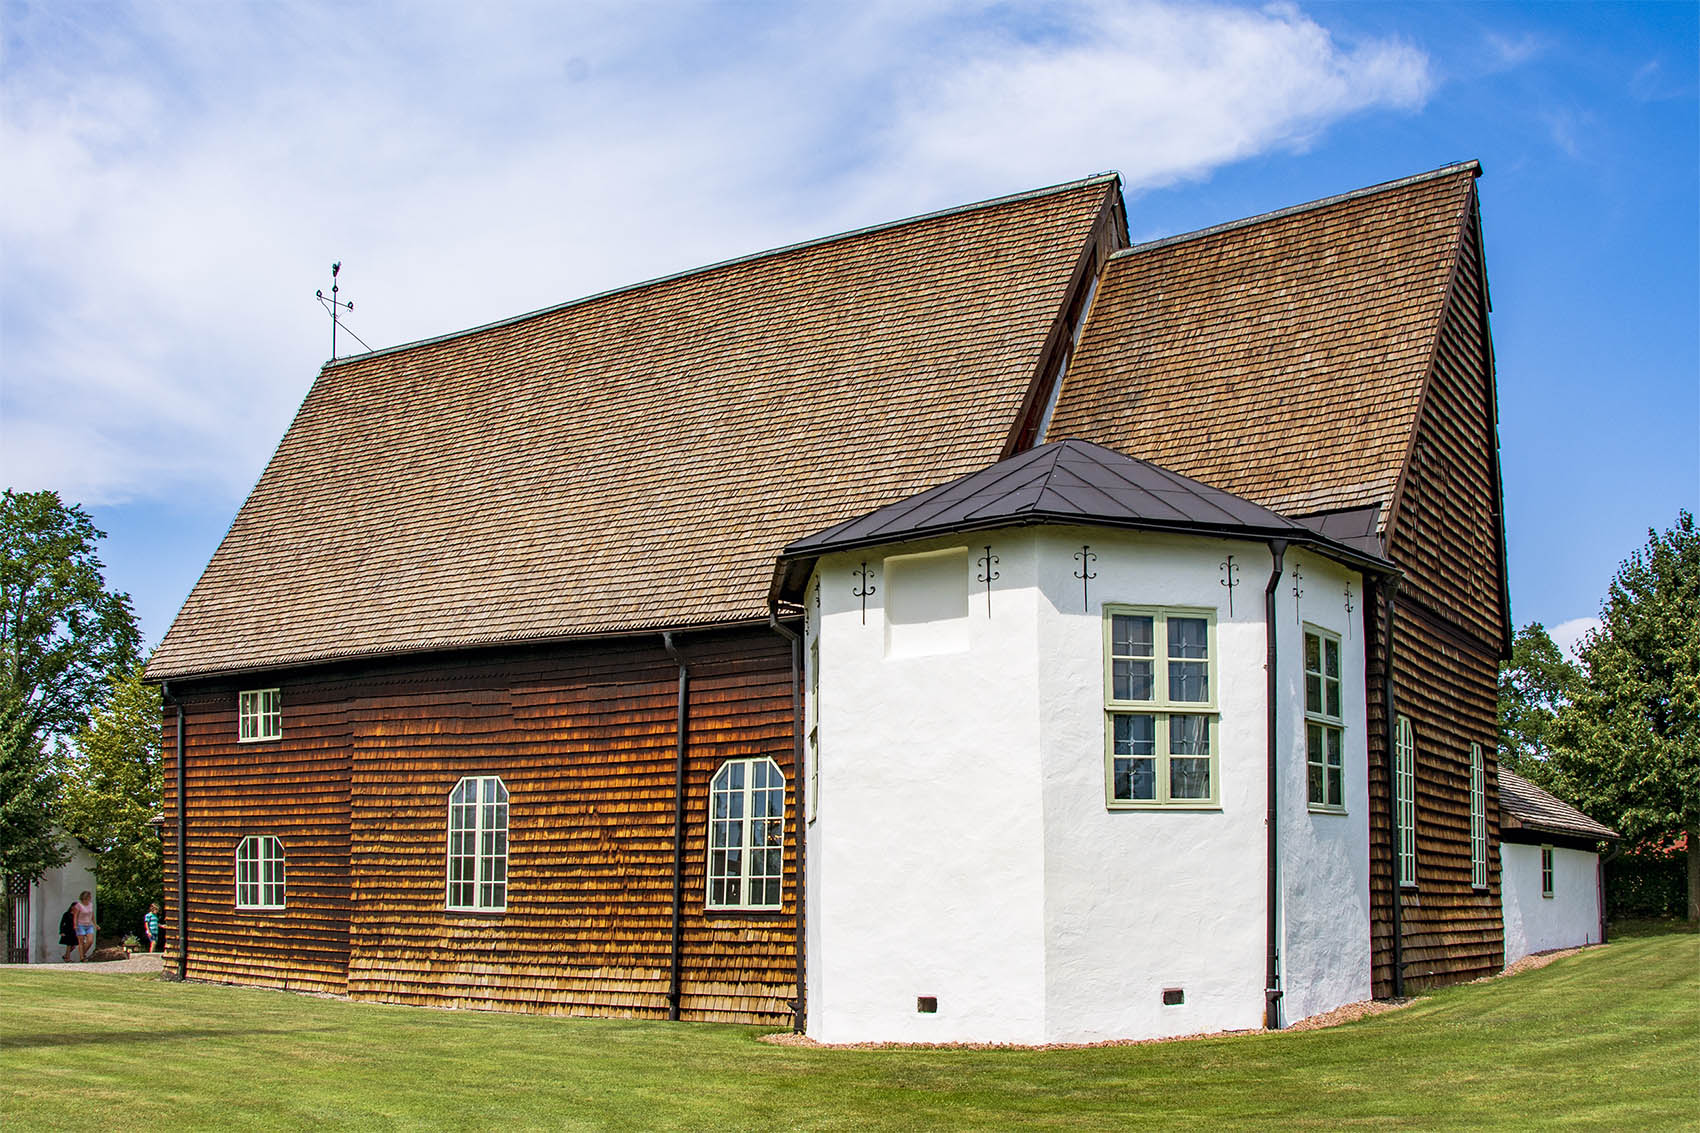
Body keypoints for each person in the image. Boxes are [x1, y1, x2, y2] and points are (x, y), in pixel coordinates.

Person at [71, 891, 97, 961]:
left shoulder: (90, 905)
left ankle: (82, 953)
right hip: (80, 925)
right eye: (89, 897)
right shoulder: (78, 906)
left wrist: (95, 924)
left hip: (89, 925)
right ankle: (82, 957)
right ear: (85, 898)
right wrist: (75, 925)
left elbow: (92, 915)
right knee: (81, 942)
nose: (90, 898)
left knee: (90, 941)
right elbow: (75, 916)